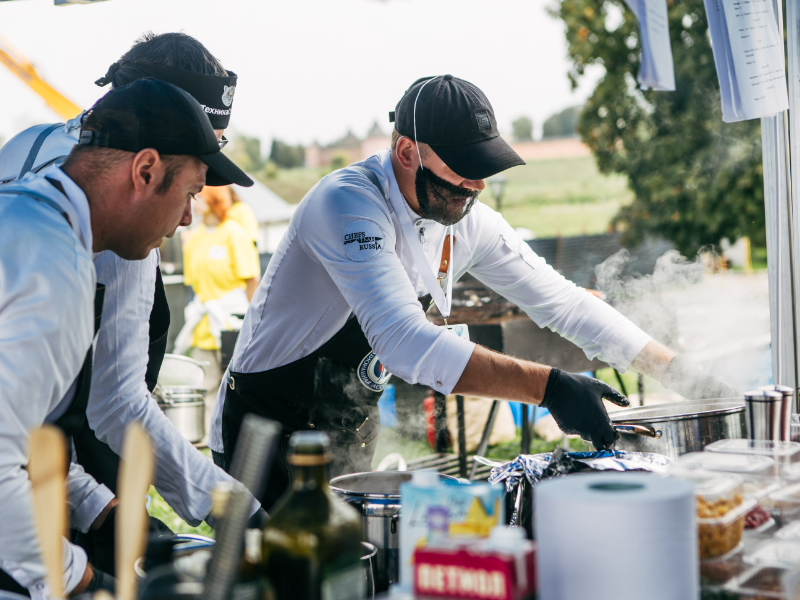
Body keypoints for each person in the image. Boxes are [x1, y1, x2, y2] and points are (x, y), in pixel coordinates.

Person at [209, 75, 737, 510]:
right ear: (407, 151)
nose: (477, 186)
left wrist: (687, 376)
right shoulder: (347, 203)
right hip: (266, 431)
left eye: (486, 169)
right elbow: (403, 343)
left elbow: (566, 303)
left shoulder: (464, 216)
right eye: (464, 169)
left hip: (349, 427)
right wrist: (549, 387)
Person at [0, 32, 262, 574]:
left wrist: (98, 507)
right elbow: (113, 400)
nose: (188, 216)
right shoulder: (91, 236)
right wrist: (77, 577)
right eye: (193, 181)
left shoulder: (28, 153)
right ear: (147, 164)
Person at [177, 185, 260, 428]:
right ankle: (204, 445)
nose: (194, 199)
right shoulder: (194, 239)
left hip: (232, 325)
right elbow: (193, 284)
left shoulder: (235, 233)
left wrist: (253, 324)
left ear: (214, 200)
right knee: (205, 388)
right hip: (204, 327)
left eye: (199, 195)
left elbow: (252, 279)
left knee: (235, 391)